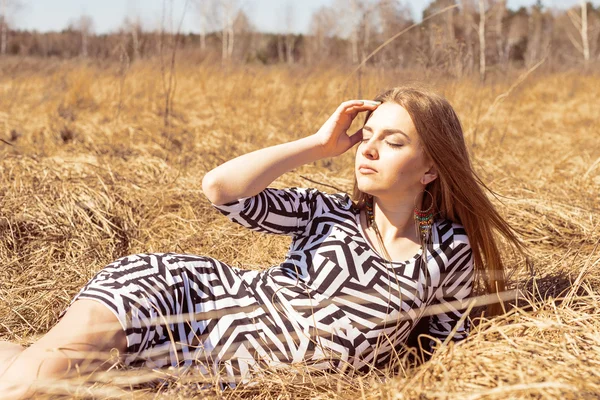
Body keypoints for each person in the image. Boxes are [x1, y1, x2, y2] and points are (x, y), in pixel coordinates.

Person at [0, 86, 524, 398]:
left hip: (206, 371)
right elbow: (220, 189)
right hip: (180, 296)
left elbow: (445, 355)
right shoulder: (328, 214)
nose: (369, 150)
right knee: (27, 389)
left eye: (394, 141)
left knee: (34, 371)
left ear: (431, 166)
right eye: (367, 137)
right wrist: (318, 145)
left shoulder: (448, 252)